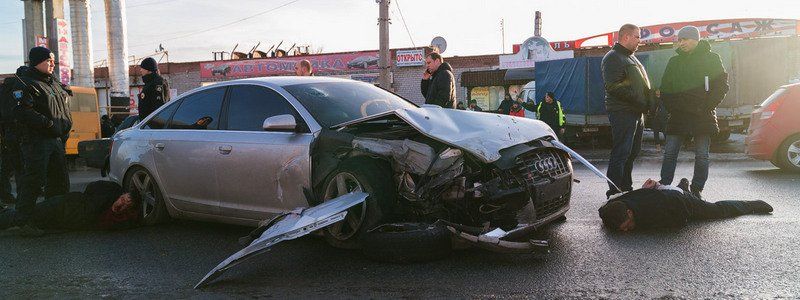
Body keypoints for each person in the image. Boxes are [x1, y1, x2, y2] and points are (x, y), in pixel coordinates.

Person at [658, 26, 729, 200]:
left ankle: (697, 189)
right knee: (670, 153)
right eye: (679, 40)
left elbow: (721, 86)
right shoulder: (674, 62)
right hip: (678, 115)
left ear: (695, 40)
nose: (681, 43)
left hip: (702, 114)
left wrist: (706, 106)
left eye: (685, 39)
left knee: (702, 155)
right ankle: (664, 185)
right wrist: (673, 107)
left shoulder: (711, 58)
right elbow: (665, 88)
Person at [14, 46, 73, 231]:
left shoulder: (53, 83)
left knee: (59, 180)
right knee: (33, 181)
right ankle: (24, 222)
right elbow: (22, 111)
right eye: (48, 61)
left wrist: (63, 129)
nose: (52, 64)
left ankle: (54, 217)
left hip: (56, 140)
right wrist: (47, 124)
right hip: (37, 141)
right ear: (37, 62)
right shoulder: (26, 83)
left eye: (53, 60)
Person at [598, 178, 772, 232]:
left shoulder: (655, 213)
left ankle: (751, 204)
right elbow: (603, 210)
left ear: (629, 212)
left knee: (716, 211)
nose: (627, 230)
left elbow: (679, 222)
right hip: (664, 192)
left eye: (628, 226)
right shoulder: (612, 207)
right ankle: (682, 185)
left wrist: (687, 218)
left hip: (680, 200)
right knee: (677, 192)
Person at [601, 24, 654, 198]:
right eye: (637, 37)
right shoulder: (613, 58)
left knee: (632, 152)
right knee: (621, 152)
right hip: (623, 111)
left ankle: (626, 188)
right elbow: (613, 87)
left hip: (637, 112)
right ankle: (615, 191)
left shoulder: (632, 58)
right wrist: (639, 99)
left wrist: (649, 99)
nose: (640, 41)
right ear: (626, 37)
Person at [0, 180, 141, 235]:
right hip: (64, 205)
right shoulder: (111, 191)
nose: (121, 203)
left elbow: (126, 222)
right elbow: (92, 187)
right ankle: (4, 215)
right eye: (123, 199)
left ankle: (5, 214)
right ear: (121, 194)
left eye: (126, 205)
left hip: (65, 221)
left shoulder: (119, 218)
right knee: (25, 216)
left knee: (30, 220)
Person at [0, 66, 28, 205]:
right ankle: (22, 196)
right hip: (20, 132)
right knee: (21, 166)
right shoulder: (21, 89)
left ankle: (5, 194)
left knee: (7, 166)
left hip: (7, 134)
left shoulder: (4, 90)